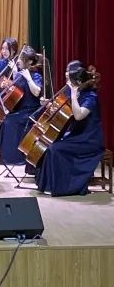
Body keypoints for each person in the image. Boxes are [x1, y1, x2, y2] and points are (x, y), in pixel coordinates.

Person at [35, 62, 104, 196]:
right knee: (50, 146)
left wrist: (73, 94)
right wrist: (49, 104)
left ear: (78, 82)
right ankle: (49, 184)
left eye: (70, 82)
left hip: (89, 139)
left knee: (55, 149)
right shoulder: (77, 92)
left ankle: (65, 186)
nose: (67, 83)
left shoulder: (91, 97)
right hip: (77, 135)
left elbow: (78, 116)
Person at [0, 46, 43, 167]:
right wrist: (7, 86)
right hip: (20, 109)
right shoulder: (19, 74)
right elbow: (16, 90)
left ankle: (14, 158)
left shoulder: (36, 76)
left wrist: (28, 78)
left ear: (30, 62)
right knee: (5, 119)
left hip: (31, 111)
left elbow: (37, 92)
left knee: (10, 121)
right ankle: (4, 156)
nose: (18, 61)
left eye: (22, 59)